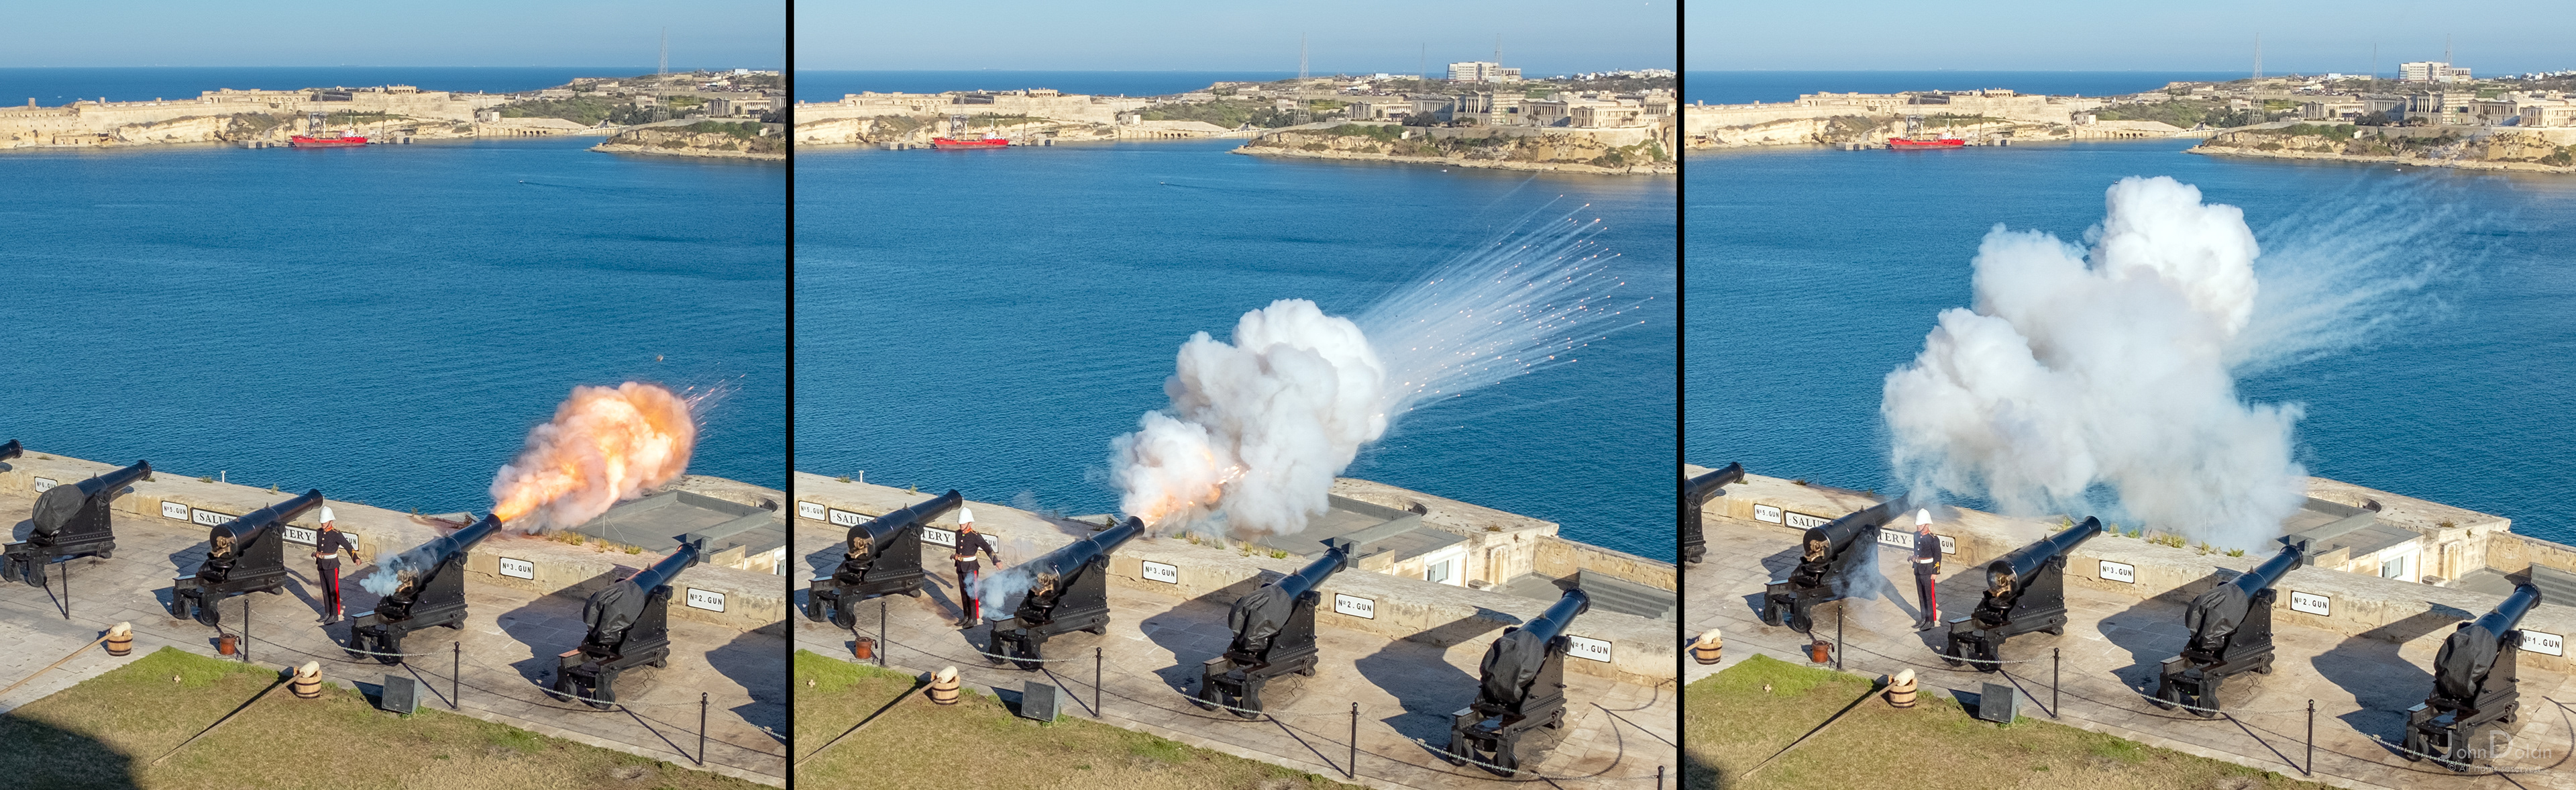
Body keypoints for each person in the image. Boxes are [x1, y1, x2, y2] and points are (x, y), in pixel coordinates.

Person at [951, 508, 1003, 628]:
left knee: (972, 593)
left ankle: (973, 618)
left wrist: (996, 561)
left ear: (970, 523)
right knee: (964, 592)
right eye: (960, 523)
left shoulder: (975, 536)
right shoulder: (958, 533)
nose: (961, 526)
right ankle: (966, 616)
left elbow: (987, 547)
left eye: (963, 524)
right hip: (960, 566)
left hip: (971, 567)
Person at [313, 507, 362, 624]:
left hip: (332, 565)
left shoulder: (336, 534)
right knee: (325, 590)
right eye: (322, 522)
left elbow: (347, 545)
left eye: (324, 522)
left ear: (331, 521)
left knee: (333, 591)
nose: (322, 524)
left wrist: (355, 558)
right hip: (322, 564)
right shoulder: (319, 532)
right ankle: (328, 613)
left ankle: (335, 614)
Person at [1911, 508, 1942, 631]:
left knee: (1929, 597)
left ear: (1927, 524)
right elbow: (1916, 550)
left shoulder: (1933, 539)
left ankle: (1931, 621)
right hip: (1919, 569)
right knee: (1921, 595)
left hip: (1928, 570)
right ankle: (1924, 618)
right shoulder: (1915, 535)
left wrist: (1935, 572)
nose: (1918, 526)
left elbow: (1938, 556)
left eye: (1920, 524)